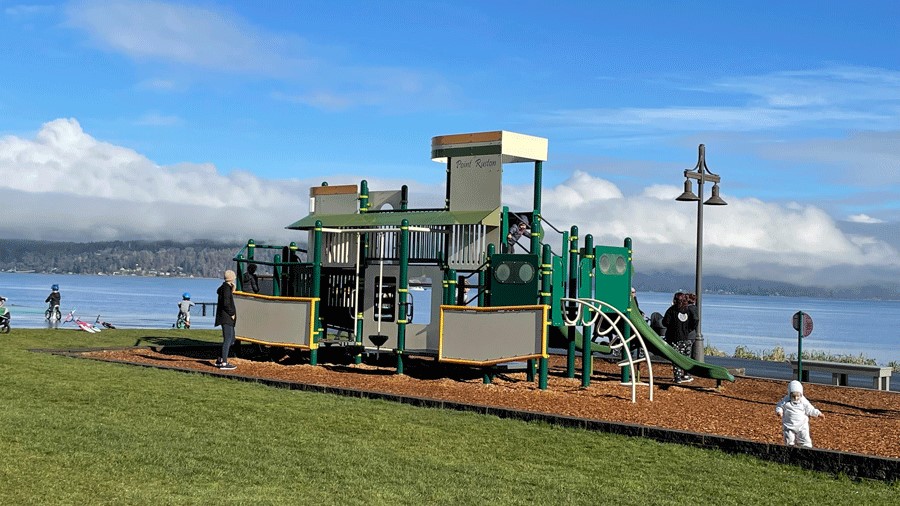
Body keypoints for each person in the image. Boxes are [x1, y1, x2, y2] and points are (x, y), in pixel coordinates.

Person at [775, 380, 824, 448]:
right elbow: (779, 406)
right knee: (789, 440)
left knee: (804, 439)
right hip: (789, 425)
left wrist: (818, 413)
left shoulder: (803, 401)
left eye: (798, 396)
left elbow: (810, 409)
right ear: (790, 394)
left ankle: (807, 450)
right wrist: (779, 412)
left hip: (802, 425)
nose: (796, 398)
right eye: (793, 396)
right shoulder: (786, 401)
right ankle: (789, 451)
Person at [661, 292, 698, 383]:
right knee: (686, 357)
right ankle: (687, 374)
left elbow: (665, 322)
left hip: (674, 337)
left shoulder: (671, 310)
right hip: (685, 337)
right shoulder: (688, 310)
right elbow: (694, 321)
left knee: (676, 358)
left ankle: (677, 377)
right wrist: (688, 329)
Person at [214, 270, 238, 370]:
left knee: (231, 339)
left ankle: (220, 359)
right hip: (226, 317)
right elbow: (226, 303)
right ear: (232, 278)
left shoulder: (225, 287)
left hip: (225, 317)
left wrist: (232, 288)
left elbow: (220, 292)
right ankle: (224, 362)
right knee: (228, 339)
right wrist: (232, 313)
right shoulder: (226, 289)